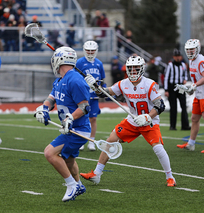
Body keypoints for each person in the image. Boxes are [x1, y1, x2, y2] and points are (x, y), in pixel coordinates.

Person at [80, 55, 176, 187]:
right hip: (132, 120)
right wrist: (95, 86)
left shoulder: (149, 84)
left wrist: (148, 116)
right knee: (110, 141)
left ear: (142, 69)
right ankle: (97, 174)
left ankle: (170, 177)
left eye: (136, 68)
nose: (133, 71)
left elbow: (160, 105)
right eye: (130, 69)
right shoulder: (123, 83)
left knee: (158, 148)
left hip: (149, 121)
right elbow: (104, 93)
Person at [34, 46, 90, 202]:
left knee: (49, 153)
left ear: (59, 60)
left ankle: (72, 185)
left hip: (78, 129)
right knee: (69, 160)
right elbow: (52, 98)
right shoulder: (60, 79)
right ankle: (78, 185)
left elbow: (85, 107)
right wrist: (44, 108)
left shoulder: (75, 79)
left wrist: (70, 118)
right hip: (69, 129)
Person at [176, 39, 204, 153]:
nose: (189, 52)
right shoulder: (191, 60)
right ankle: (191, 144)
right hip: (199, 94)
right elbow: (197, 78)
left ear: (197, 49)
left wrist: (194, 85)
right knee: (194, 119)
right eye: (188, 50)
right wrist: (191, 89)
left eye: (191, 49)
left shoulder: (201, 61)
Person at [76, 40, 105, 151]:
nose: (90, 52)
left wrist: (103, 90)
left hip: (94, 96)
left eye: (92, 50)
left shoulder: (99, 63)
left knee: (93, 118)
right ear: (84, 50)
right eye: (88, 50)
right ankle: (81, 140)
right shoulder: (79, 62)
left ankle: (91, 141)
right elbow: (76, 79)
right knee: (81, 117)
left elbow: (102, 80)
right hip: (83, 95)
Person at [164, 48, 191, 131]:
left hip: (181, 87)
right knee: (173, 107)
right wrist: (166, 90)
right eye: (176, 56)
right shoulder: (170, 65)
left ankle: (185, 125)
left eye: (179, 56)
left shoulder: (183, 65)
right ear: (173, 57)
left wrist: (185, 79)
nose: (178, 58)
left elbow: (185, 75)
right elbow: (166, 78)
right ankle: (172, 126)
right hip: (172, 87)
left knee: (183, 105)